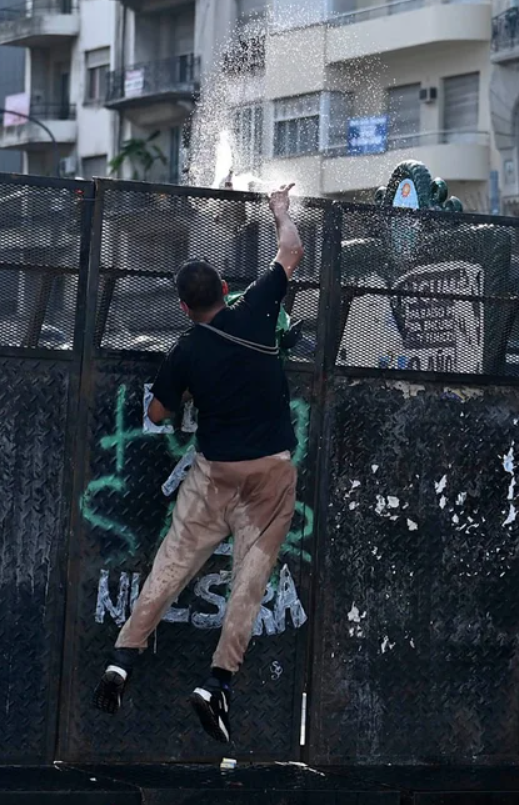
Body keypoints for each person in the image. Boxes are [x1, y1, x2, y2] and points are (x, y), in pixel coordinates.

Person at [93, 184, 304, 744]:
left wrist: (184, 387)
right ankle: (216, 683)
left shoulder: (185, 349)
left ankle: (121, 660)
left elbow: (157, 414)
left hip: (214, 474)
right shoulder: (258, 310)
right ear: (227, 291)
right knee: (249, 581)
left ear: (184, 309)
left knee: (170, 565)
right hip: (270, 475)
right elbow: (290, 251)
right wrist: (280, 210)